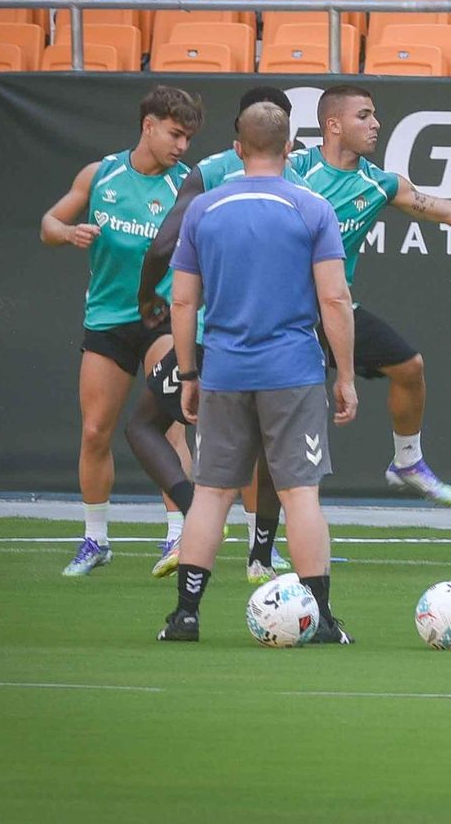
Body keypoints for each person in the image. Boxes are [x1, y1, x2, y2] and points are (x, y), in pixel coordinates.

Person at [157, 102, 359, 644]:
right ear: (290, 148)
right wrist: (345, 375)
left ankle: (185, 616)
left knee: (211, 494)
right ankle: (321, 620)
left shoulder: (204, 209)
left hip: (224, 370)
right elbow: (335, 299)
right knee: (300, 495)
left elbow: (183, 302)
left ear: (238, 149)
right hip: (293, 371)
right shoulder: (312, 208)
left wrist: (189, 372)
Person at [287, 84, 451, 507]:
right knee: (282, 427)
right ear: (333, 125)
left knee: (409, 366)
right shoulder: (292, 169)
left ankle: (407, 462)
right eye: (363, 115)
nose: (376, 124)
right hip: (282, 314)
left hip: (336, 310)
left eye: (374, 115)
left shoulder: (379, 183)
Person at [135, 86, 305, 583]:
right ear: (286, 138)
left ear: (239, 135)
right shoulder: (300, 186)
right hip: (283, 346)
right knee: (271, 452)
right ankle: (261, 556)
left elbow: (164, 245)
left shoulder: (210, 173)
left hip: (217, 341)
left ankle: (194, 517)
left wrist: (147, 296)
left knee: (143, 426)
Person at [39, 85, 203, 577]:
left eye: (188, 137)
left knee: (169, 426)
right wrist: (68, 233)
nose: (182, 146)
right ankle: (95, 540)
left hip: (162, 320)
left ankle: (178, 536)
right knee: (95, 431)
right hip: (107, 320)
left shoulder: (189, 186)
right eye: (175, 134)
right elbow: (49, 224)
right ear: (148, 126)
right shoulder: (101, 173)